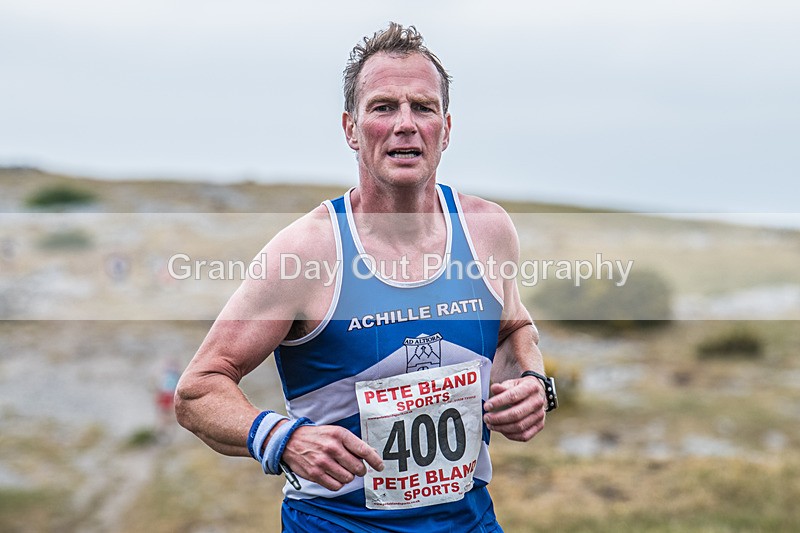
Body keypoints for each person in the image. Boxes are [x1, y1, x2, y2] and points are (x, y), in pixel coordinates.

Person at [175, 22, 553, 532]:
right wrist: (284, 438)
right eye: (383, 107)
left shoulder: (487, 230)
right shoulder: (305, 252)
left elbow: (512, 329)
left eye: (422, 107)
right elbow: (198, 390)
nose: (405, 124)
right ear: (351, 128)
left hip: (469, 522)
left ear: (446, 127)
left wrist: (531, 383)